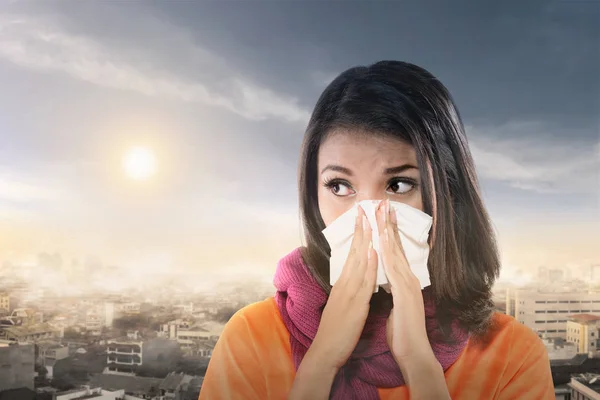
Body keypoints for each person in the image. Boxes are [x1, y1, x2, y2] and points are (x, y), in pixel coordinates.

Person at [198, 61, 554, 399]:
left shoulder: (511, 355)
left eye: (398, 185)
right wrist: (320, 363)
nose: (368, 217)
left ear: (446, 193)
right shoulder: (252, 338)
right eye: (339, 186)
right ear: (312, 195)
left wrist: (420, 366)